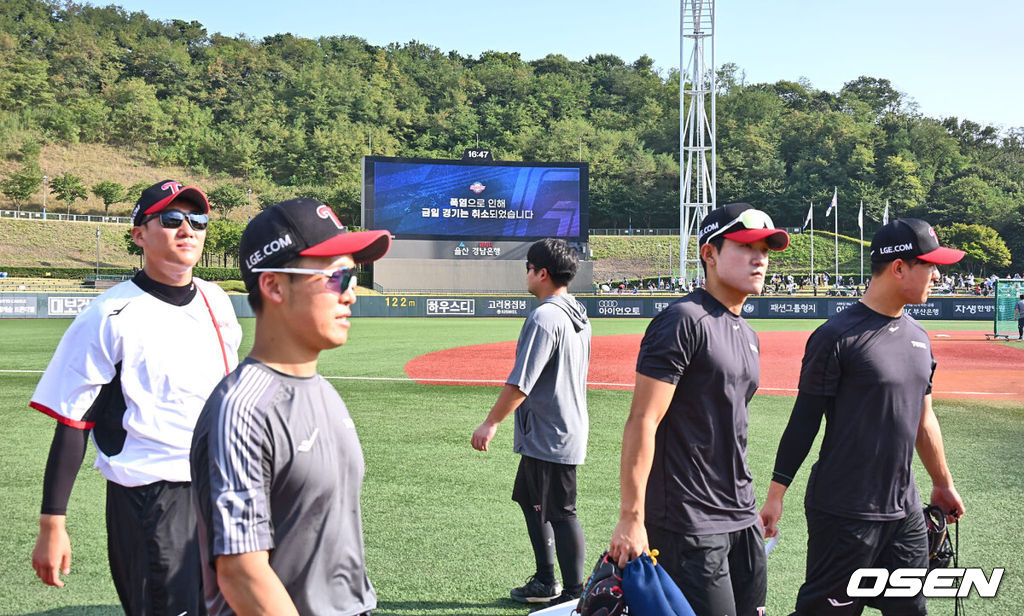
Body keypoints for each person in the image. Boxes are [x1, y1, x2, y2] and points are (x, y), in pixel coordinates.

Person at [29, 180, 242, 615]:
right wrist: (53, 521)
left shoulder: (217, 301)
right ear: (139, 235)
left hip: (219, 489)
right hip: (151, 498)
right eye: (171, 219)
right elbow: (73, 422)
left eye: (197, 220)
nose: (188, 229)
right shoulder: (108, 315)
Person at [190, 198, 390, 615]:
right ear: (274, 286)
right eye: (338, 277)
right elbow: (242, 572)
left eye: (353, 277)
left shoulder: (325, 392)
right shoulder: (242, 409)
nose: (351, 294)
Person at [759, 218, 967, 616]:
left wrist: (942, 484)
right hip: (843, 510)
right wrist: (775, 497)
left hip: (904, 510)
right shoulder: (837, 336)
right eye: (930, 265)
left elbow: (924, 418)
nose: (938, 275)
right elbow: (805, 421)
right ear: (899, 267)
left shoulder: (920, 339)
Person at [608, 202, 789, 616]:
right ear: (709, 253)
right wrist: (631, 517)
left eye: (765, 248)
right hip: (689, 522)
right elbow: (642, 420)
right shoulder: (682, 321)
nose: (760, 257)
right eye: (746, 246)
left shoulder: (746, 333)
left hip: (742, 516)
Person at [471, 238, 592, 605]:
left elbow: (521, 381)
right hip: (554, 427)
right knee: (530, 499)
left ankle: (573, 594)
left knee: (561, 511)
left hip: (551, 432)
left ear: (541, 272)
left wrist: (491, 422)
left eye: (528, 267)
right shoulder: (576, 312)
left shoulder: (545, 316)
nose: (526, 273)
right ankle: (545, 580)